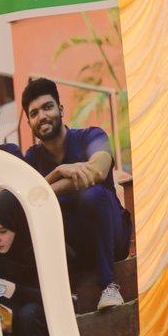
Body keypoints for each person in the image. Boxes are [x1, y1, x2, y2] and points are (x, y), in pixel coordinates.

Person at [20, 77, 131, 310]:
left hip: (112, 239)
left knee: (93, 194)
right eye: (34, 113)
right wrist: (59, 171)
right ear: (29, 123)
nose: (42, 116)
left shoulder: (91, 136)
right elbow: (25, 199)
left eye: (47, 107)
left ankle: (108, 286)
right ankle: (63, 295)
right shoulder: (32, 158)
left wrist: (44, 189)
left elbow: (97, 171)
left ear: (61, 110)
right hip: (74, 248)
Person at [0, 190, 58, 336]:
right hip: (11, 334)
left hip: (45, 332)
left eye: (2, 231)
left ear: (18, 225)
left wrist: (7, 288)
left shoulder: (42, 251)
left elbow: (56, 298)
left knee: (29, 314)